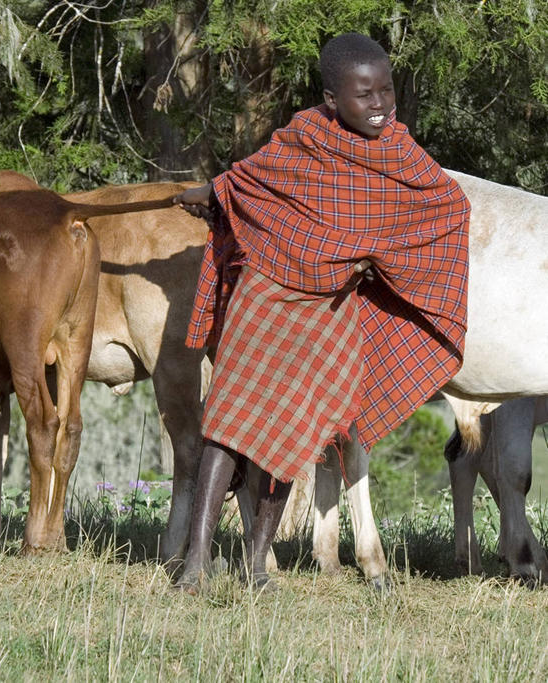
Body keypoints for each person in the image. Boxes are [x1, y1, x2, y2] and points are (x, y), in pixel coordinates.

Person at [172, 32, 471, 592]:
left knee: (298, 432)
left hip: (331, 311)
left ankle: (256, 562)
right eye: (366, 94)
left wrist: (379, 261)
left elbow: (448, 206)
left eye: (387, 90)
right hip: (265, 296)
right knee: (227, 425)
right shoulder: (302, 139)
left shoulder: (401, 153)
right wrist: (211, 191)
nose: (381, 104)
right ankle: (194, 561)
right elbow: (247, 181)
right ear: (333, 99)